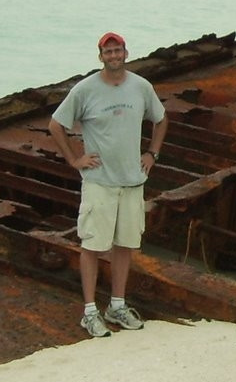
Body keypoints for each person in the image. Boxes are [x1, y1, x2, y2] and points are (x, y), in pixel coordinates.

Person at [47, 31, 168, 338]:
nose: (114, 56)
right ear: (100, 56)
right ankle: (89, 312)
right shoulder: (85, 90)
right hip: (99, 181)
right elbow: (55, 125)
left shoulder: (141, 87)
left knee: (125, 244)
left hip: (132, 180)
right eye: (108, 51)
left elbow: (161, 119)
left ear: (126, 53)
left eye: (118, 50)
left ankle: (117, 305)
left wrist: (152, 153)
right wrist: (75, 160)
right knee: (93, 245)